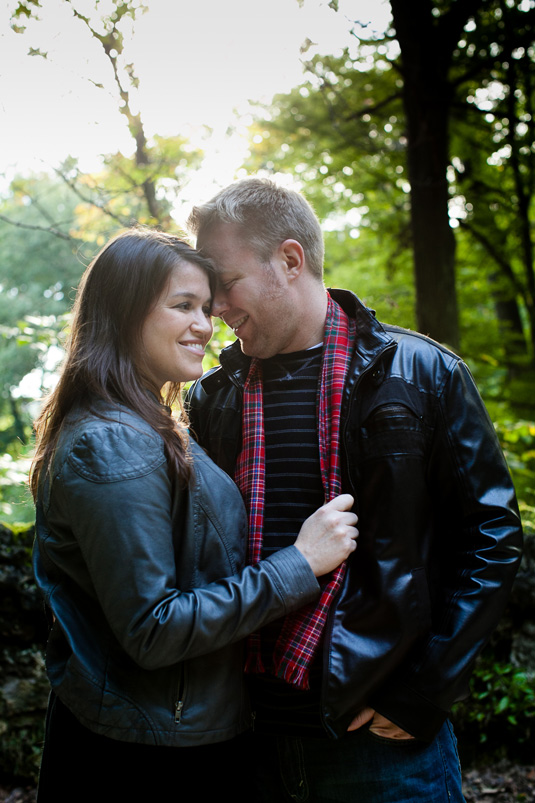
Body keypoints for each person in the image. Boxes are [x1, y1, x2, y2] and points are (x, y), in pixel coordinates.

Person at [186, 177, 524, 803]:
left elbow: (492, 539)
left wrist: (425, 690)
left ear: (290, 260)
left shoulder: (425, 372)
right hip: (244, 740)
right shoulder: (211, 398)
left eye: (225, 285)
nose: (214, 310)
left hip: (384, 751)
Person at [30, 227, 359, 802]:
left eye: (207, 307)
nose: (206, 325)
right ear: (124, 314)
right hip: (143, 758)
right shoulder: (112, 443)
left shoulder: (154, 425)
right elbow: (153, 628)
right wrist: (299, 563)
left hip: (175, 735)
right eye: (183, 306)